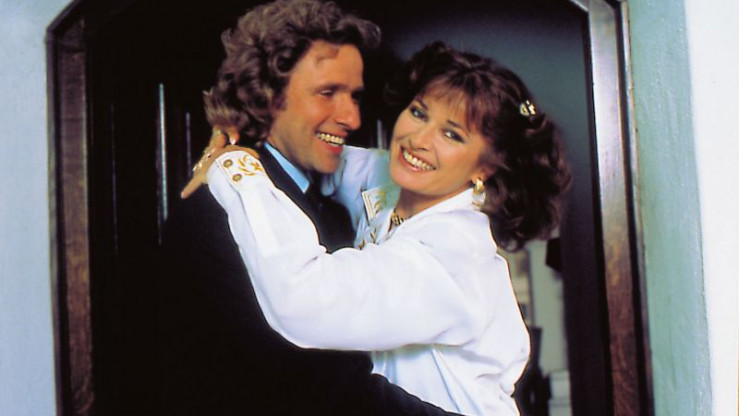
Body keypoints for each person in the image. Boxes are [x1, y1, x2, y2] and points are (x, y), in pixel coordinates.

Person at [192, 41, 571, 415]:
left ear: (485, 168)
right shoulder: (390, 182)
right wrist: (249, 127)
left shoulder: (454, 254)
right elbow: (326, 159)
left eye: (452, 134)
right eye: (419, 113)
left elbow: (303, 298)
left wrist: (233, 165)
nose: (419, 140)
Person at [158, 1, 459, 415]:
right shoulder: (221, 212)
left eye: (354, 96)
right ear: (266, 95)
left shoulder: (332, 207)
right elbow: (323, 387)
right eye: (327, 93)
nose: (351, 117)